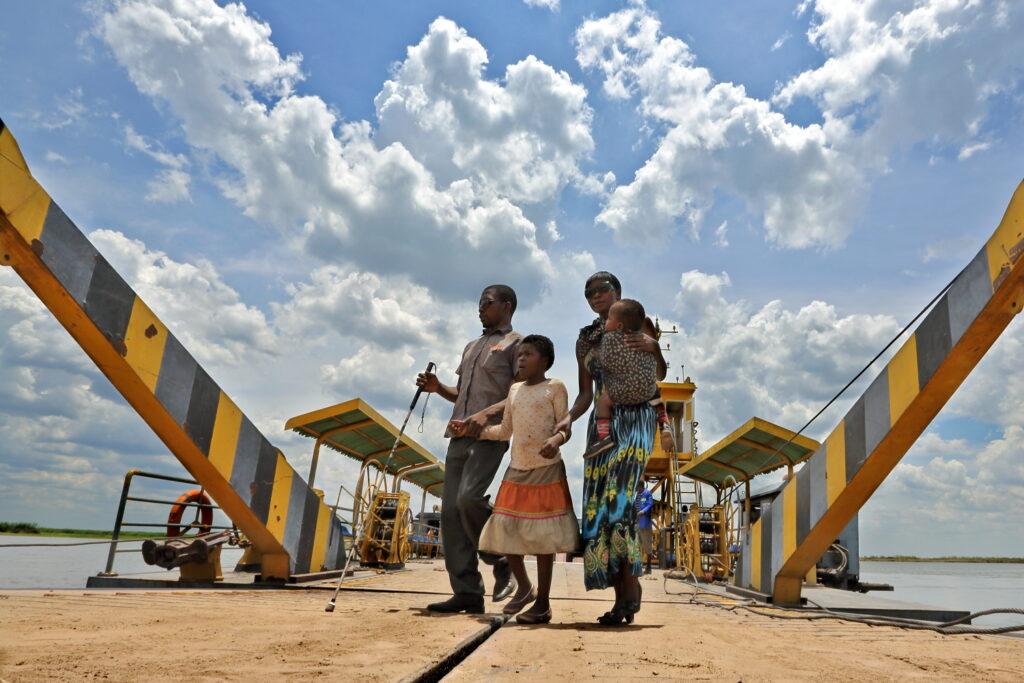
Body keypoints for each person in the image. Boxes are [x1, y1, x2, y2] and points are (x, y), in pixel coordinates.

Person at [554, 271, 667, 625]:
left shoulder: (638, 322)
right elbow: (585, 394)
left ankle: (630, 587)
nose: (594, 296)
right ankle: (621, 597)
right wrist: (567, 419)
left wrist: (655, 347)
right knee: (600, 508)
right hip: (601, 425)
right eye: (588, 292)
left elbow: (657, 374)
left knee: (620, 500)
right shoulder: (586, 339)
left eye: (601, 289)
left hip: (636, 417)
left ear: (617, 291)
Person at [452, 335, 578, 625]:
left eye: (528, 354)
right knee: (505, 529)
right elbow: (504, 431)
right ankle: (524, 587)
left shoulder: (555, 387)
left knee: (545, 538)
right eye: (519, 354)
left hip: (546, 469)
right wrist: (471, 431)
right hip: (516, 469)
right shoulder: (514, 390)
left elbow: (565, 427)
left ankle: (543, 603)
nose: (521, 359)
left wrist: (556, 440)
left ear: (545, 361)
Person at [417, 285, 521, 614]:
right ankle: (467, 592)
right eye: (478, 303)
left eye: (486, 303)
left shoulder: (517, 344)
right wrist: (437, 388)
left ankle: (502, 558)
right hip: (458, 434)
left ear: (506, 306)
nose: (480, 308)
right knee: (450, 513)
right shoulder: (472, 346)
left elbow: (518, 394)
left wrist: (486, 414)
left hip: (490, 435)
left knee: (469, 498)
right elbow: (460, 392)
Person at [587, 298, 674, 458]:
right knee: (656, 394)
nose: (606, 322)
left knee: (603, 402)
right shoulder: (645, 340)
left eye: (609, 319)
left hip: (620, 394)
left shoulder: (609, 340)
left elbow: (605, 362)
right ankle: (664, 424)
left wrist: (596, 353)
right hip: (646, 391)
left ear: (619, 325)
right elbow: (657, 372)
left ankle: (604, 438)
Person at [636, 480, 654, 575]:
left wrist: (643, 511)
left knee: (647, 546)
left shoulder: (647, 493)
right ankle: (638, 567)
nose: (636, 489)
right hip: (637, 524)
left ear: (641, 486)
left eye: (637, 487)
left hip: (645, 524)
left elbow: (650, 504)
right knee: (637, 545)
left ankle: (649, 567)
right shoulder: (637, 495)